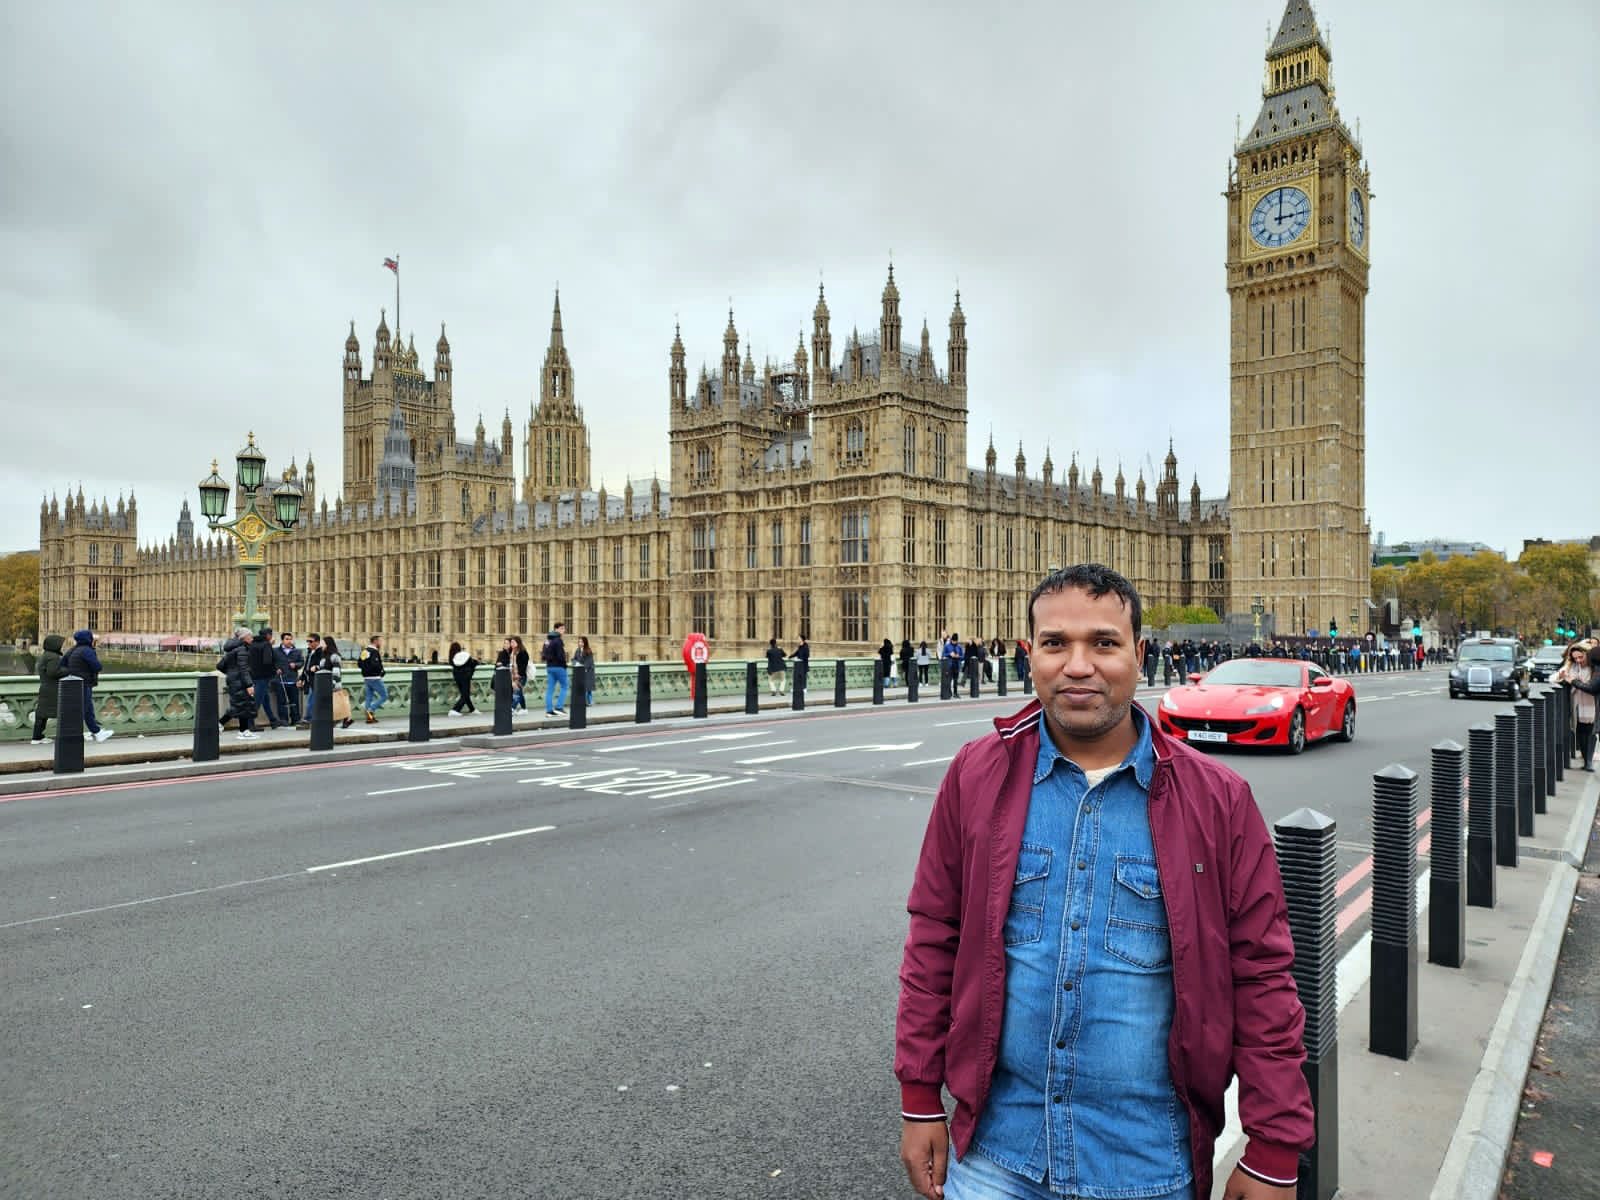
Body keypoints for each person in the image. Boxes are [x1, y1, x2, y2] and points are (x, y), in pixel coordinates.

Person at [895, 563, 1311, 1200]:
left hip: (1147, 1165)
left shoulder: (1217, 800)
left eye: (1104, 643)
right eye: (1056, 643)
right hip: (997, 1155)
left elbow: (1262, 977)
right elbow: (934, 940)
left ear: (1140, 655)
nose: (1078, 665)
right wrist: (921, 1097)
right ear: (1029, 653)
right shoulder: (977, 775)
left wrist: (1275, 1147)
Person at [58, 629, 114, 743]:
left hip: (74, 683)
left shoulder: (73, 649)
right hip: (84, 683)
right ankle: (75, 735)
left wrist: (72, 672)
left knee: (87, 709)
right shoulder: (87, 651)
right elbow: (97, 666)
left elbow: (62, 663)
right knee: (83, 710)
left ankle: (97, 732)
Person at [1557, 639, 1597, 771]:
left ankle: (1589, 762)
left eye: (1581, 657)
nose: (1578, 660)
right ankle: (1586, 761)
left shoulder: (1595, 667)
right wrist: (1562, 677)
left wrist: (1573, 681)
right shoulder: (1572, 666)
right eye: (1575, 658)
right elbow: (1555, 677)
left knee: (1591, 731)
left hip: (1593, 703)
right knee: (1580, 732)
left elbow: (1592, 687)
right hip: (1577, 703)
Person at [216, 627, 257, 740]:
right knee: (240, 706)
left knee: (243, 705)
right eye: (250, 636)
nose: (252, 638)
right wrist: (249, 684)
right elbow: (244, 669)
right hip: (240, 681)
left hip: (235, 680)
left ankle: (244, 730)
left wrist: (231, 673)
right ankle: (220, 724)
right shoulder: (242, 649)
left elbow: (219, 666)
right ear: (244, 638)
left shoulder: (233, 649)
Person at [30, 633, 67, 744]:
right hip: (53, 689)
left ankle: (37, 736)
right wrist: (68, 670)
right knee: (64, 712)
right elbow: (53, 672)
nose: (61, 646)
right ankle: (66, 735)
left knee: (42, 714)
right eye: (60, 644)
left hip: (45, 687)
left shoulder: (46, 655)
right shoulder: (53, 657)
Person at [248, 627, 284, 729]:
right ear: (268, 635)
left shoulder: (253, 644)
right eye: (271, 635)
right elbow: (268, 661)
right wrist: (274, 669)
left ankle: (273, 720)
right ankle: (249, 723)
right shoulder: (266, 644)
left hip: (253, 675)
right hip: (263, 676)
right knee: (257, 700)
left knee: (265, 699)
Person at [358, 634, 387, 724]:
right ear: (375, 641)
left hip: (366, 677)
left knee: (369, 697)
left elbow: (359, 663)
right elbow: (376, 665)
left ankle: (369, 718)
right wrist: (380, 671)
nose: (381, 643)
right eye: (380, 641)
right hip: (375, 677)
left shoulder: (365, 651)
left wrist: (366, 670)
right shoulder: (374, 652)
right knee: (384, 696)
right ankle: (371, 709)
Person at [542, 621, 570, 715]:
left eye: (564, 629)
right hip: (559, 667)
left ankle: (549, 710)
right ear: (556, 629)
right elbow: (561, 656)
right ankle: (559, 707)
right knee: (564, 686)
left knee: (550, 689)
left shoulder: (547, 640)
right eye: (562, 629)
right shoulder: (558, 640)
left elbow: (543, 655)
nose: (564, 630)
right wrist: (564, 665)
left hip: (549, 667)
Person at [278, 633, 303, 726]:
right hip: (281, 680)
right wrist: (276, 669)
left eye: (290, 639)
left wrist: (296, 665)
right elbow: (272, 663)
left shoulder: (297, 651)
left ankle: (295, 719)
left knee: (294, 701)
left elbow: (301, 662)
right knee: (282, 701)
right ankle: (283, 719)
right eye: (287, 639)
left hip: (293, 680)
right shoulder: (276, 651)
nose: (289, 641)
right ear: (282, 640)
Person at [448, 641, 479, 715]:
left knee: (464, 693)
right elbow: (472, 663)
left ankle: (472, 709)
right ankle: (455, 710)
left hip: (457, 676)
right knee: (465, 694)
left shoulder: (452, 657)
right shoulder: (464, 655)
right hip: (465, 676)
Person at [573, 635, 596, 705]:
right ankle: (587, 701)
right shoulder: (578, 650)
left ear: (585, 643)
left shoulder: (588, 650)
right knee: (584, 687)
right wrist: (575, 663)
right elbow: (574, 659)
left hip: (588, 671)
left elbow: (590, 661)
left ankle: (588, 701)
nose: (580, 643)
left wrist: (584, 667)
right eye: (579, 642)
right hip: (580, 670)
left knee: (587, 687)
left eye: (581, 642)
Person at [511, 635, 531, 711]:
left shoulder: (523, 652)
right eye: (511, 642)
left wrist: (519, 674)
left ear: (518, 643)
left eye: (513, 642)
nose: (512, 644)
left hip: (521, 676)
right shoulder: (513, 652)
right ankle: (524, 709)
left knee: (517, 693)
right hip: (514, 676)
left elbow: (524, 665)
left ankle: (512, 708)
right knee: (520, 693)